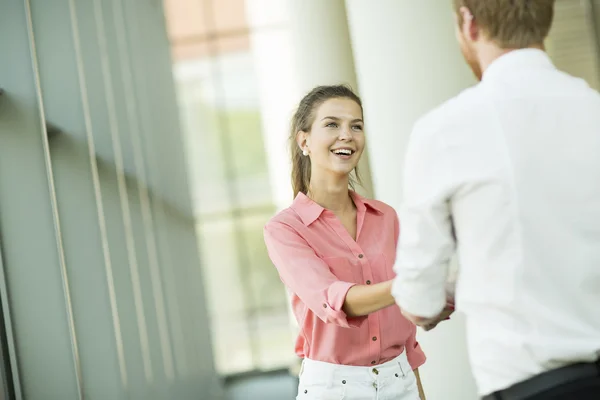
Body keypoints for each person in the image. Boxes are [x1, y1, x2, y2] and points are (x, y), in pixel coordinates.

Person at [391, 1, 600, 399]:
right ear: (546, 17)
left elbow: (418, 297)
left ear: (469, 21)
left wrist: (447, 293)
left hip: (531, 386)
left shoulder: (444, 131)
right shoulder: (594, 108)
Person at [264, 85, 428, 400]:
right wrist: (413, 283)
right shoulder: (285, 229)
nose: (347, 135)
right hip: (334, 388)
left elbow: (407, 334)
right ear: (304, 141)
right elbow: (335, 301)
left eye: (356, 126)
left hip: (400, 379)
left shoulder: (387, 218)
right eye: (332, 124)